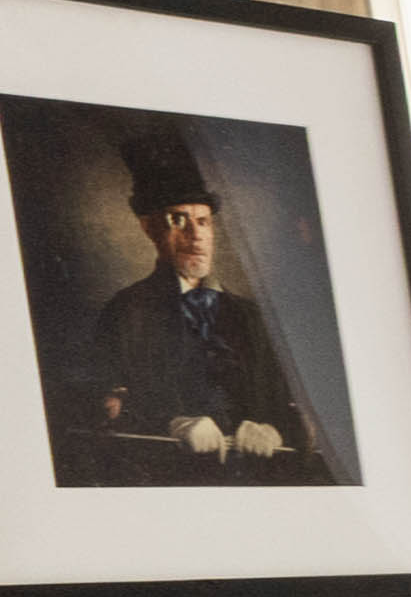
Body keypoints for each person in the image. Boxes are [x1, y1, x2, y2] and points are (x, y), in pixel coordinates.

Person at [57, 126, 332, 487]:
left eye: (203, 222)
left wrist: (276, 431)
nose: (196, 234)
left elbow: (299, 407)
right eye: (178, 220)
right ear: (149, 228)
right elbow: (95, 409)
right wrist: (173, 423)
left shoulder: (252, 317)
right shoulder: (124, 313)